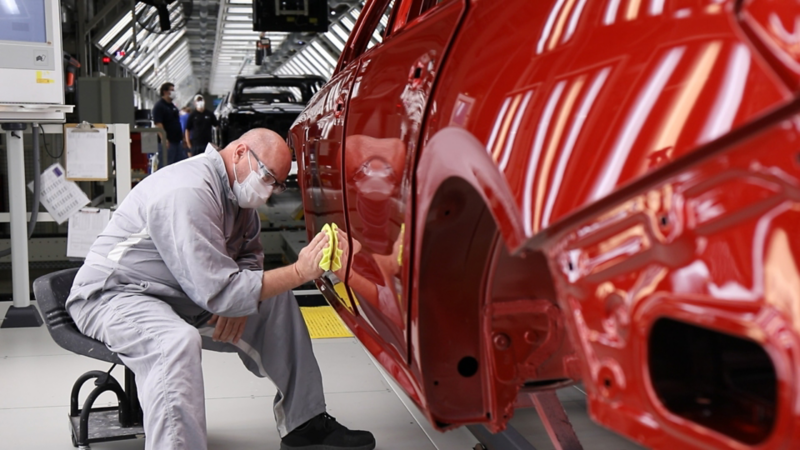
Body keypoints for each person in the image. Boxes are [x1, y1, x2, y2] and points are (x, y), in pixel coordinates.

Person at [65, 128, 376, 450]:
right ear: (240, 153)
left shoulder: (238, 197)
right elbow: (221, 292)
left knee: (276, 300)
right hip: (115, 295)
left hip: (179, 295)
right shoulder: (188, 191)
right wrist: (297, 272)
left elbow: (250, 257)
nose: (269, 192)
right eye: (268, 177)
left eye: (278, 185)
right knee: (174, 342)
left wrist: (240, 301)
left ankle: (305, 424)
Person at [152, 82, 186, 165]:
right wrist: (164, 139)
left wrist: (183, 137)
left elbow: (176, 122)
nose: (174, 92)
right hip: (168, 143)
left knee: (179, 165)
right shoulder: (159, 106)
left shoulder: (172, 106)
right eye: (172, 90)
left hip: (177, 142)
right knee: (166, 166)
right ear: (165, 92)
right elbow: (158, 124)